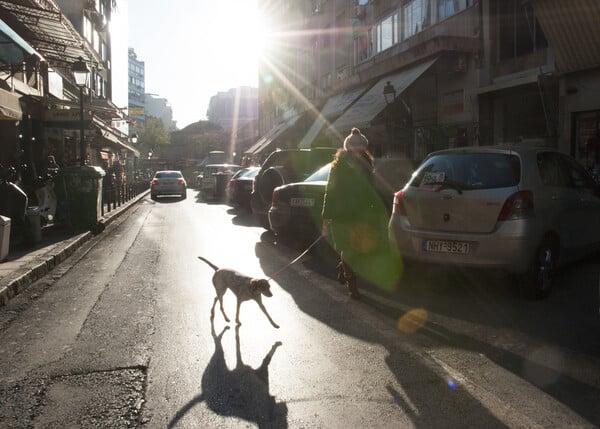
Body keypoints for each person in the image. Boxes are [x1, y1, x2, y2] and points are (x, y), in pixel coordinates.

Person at [321, 128, 402, 299]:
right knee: (348, 251)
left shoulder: (368, 164)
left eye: (361, 147)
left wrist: (377, 209)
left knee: (359, 251)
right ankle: (353, 287)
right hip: (342, 216)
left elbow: (372, 190)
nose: (358, 150)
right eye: (355, 147)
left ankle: (343, 268)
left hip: (361, 215)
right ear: (348, 147)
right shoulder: (339, 165)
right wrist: (326, 218)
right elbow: (330, 190)